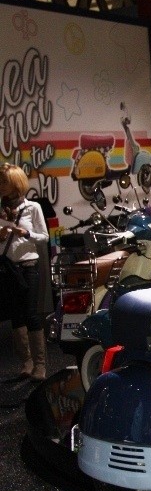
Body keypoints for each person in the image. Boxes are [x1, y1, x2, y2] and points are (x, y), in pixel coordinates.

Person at [0, 163, 50, 381]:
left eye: (4, 181)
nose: (1, 185)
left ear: (16, 183)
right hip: (7, 267)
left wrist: (26, 234)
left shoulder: (33, 208)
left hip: (28, 265)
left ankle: (40, 365)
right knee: (16, 315)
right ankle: (26, 363)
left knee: (31, 314)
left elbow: (44, 237)